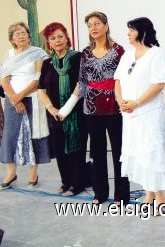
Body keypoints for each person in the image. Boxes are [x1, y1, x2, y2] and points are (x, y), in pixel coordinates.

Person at [115, 17, 165, 211]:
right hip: (129, 114)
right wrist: (120, 101)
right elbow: (118, 80)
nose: (128, 33)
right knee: (138, 153)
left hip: (149, 112)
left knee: (152, 153)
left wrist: (137, 103)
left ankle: (160, 197)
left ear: (142, 31)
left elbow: (158, 84)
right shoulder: (127, 54)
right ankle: (149, 194)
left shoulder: (156, 54)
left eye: (131, 29)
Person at [77, 11, 130, 205]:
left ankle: (122, 195)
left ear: (106, 26)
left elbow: (125, 78)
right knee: (97, 152)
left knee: (119, 151)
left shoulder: (119, 50)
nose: (93, 27)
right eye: (90, 24)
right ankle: (100, 193)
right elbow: (82, 81)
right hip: (91, 107)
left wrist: (125, 100)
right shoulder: (85, 52)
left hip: (114, 106)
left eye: (97, 23)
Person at [38, 22, 88, 196]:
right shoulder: (47, 64)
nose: (57, 40)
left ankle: (77, 184)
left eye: (60, 36)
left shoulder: (79, 58)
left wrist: (66, 109)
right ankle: (65, 181)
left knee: (77, 148)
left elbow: (81, 85)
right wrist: (51, 108)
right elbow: (41, 91)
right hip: (54, 115)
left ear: (67, 38)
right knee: (60, 149)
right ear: (48, 43)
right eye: (53, 38)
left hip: (76, 112)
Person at [0, 22, 50, 190]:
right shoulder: (9, 54)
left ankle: (33, 174)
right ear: (12, 39)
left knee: (34, 135)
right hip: (11, 99)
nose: (21, 36)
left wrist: (20, 97)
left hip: (32, 98)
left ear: (29, 35)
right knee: (10, 135)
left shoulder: (37, 53)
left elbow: (38, 80)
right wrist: (15, 100)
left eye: (23, 33)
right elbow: (4, 79)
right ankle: (11, 174)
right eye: (17, 34)